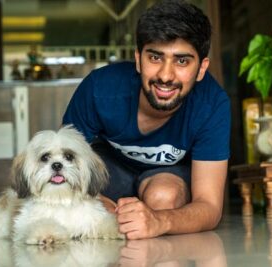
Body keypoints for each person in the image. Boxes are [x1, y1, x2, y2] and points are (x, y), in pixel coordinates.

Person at [62, 0, 231, 240]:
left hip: (167, 176)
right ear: (139, 59)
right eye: (155, 58)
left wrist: (158, 221)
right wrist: (95, 204)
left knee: (164, 196)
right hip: (108, 173)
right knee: (83, 207)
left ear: (202, 68)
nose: (165, 75)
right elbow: (59, 168)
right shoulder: (99, 89)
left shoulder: (212, 104)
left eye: (182, 61)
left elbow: (210, 207)